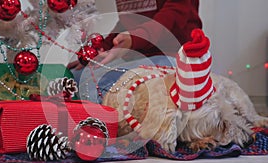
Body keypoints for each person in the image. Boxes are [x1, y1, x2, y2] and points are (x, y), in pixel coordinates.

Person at [67, 0, 203, 103]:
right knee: (76, 76)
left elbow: (173, 16)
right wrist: (101, 49)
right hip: (138, 55)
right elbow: (128, 22)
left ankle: (96, 133)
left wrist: (134, 39)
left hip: (173, 56)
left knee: (101, 85)